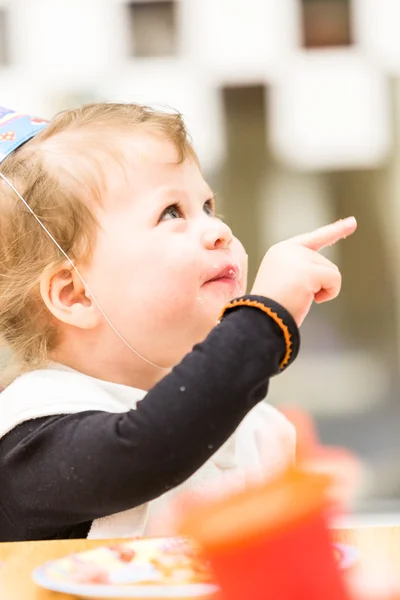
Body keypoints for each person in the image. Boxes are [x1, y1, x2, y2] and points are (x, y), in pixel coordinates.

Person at [0, 103, 356, 541]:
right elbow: (149, 449)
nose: (218, 231)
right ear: (74, 294)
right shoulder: (31, 434)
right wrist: (264, 320)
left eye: (208, 205)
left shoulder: (248, 423)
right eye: (172, 212)